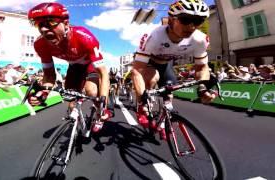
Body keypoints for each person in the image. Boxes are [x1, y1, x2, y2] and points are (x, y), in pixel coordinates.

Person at [131, 0, 216, 140]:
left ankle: (164, 121)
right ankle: (143, 107)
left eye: (198, 21)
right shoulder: (153, 36)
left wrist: (203, 87)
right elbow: (137, 70)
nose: (192, 26)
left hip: (166, 64)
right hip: (148, 64)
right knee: (152, 77)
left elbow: (201, 67)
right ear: (171, 20)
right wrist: (141, 98)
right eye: (186, 20)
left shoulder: (200, 39)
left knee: (169, 94)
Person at [27, 2, 111, 132]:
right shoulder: (40, 44)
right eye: (39, 24)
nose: (43, 29)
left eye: (50, 22)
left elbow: (103, 73)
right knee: (71, 101)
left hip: (90, 65)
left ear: (66, 24)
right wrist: (43, 92)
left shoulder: (84, 37)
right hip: (74, 67)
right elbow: (49, 75)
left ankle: (100, 112)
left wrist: (104, 102)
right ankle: (75, 131)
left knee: (92, 91)